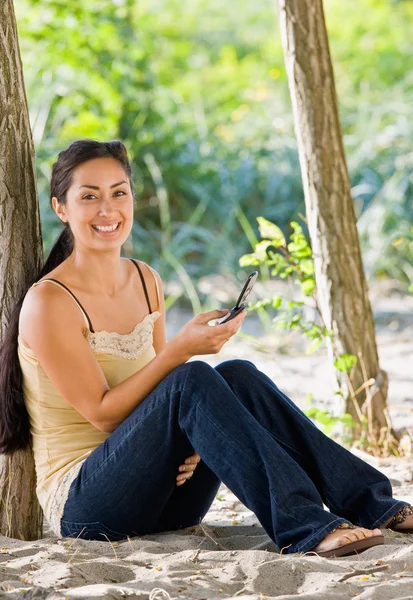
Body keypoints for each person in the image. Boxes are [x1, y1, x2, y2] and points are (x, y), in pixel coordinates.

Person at [0, 140, 411, 559]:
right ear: (61, 208)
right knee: (191, 377)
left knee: (238, 375)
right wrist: (180, 351)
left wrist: (196, 439)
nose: (108, 210)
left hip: (170, 496)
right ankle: (305, 526)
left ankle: (372, 504)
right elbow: (106, 415)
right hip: (89, 508)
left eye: (118, 192)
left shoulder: (145, 279)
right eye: (89, 196)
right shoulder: (49, 301)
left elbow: (159, 399)